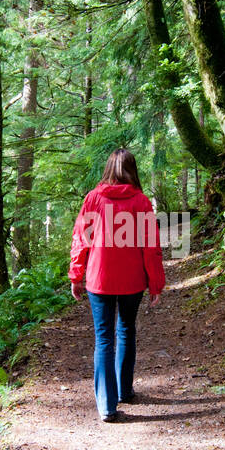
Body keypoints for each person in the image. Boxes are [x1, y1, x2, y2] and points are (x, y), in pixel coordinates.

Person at [68, 149, 166, 423]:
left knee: (104, 339)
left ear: (108, 168)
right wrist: (155, 283)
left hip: (99, 280)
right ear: (133, 170)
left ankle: (107, 406)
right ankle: (124, 390)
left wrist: (76, 274)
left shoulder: (93, 199)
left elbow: (81, 240)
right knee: (125, 330)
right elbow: (151, 247)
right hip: (132, 281)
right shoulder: (141, 202)